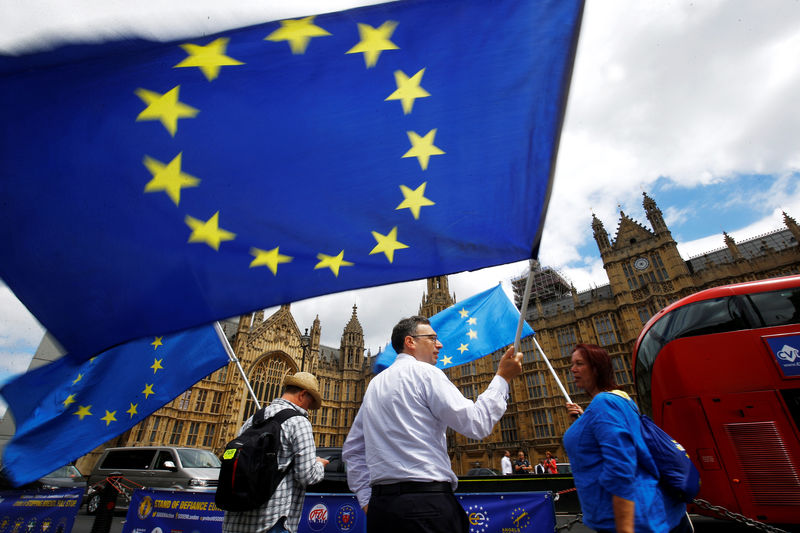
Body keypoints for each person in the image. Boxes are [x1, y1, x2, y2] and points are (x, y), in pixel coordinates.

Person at [342, 315, 523, 533]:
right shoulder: (427, 373)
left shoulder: (375, 385)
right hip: (426, 505)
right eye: (432, 338)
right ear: (410, 342)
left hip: (383, 508)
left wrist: (366, 499)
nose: (440, 344)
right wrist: (503, 378)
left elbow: (352, 450)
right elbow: (477, 424)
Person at [563, 344, 689, 533]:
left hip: (638, 521)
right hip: (652, 513)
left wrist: (624, 527)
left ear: (596, 368)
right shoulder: (621, 399)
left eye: (579, 363)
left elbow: (620, 468)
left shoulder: (604, 404)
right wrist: (583, 419)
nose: (572, 369)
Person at [222, 372, 329, 533]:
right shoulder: (299, 422)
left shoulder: (254, 419)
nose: (309, 408)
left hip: (236, 521)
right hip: (272, 522)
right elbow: (307, 475)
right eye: (310, 402)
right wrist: (319, 465)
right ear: (302, 394)